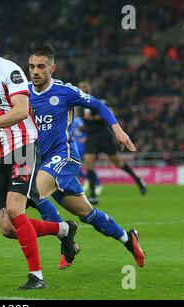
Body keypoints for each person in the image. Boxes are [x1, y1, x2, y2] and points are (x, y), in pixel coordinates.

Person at [0, 20, 78, 290]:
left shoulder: (9, 70)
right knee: (7, 228)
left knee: (15, 209)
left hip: (24, 146)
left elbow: (21, 110)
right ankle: (63, 229)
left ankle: (36, 277)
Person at [28, 44, 145, 269]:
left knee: (35, 193)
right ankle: (128, 239)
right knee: (88, 214)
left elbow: (98, 105)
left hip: (65, 155)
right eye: (31, 66)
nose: (35, 71)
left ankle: (66, 239)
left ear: (52, 68)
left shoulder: (65, 91)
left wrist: (117, 130)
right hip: (43, 162)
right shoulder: (24, 93)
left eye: (41, 66)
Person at [80, 81, 147, 205]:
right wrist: (82, 129)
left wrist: (93, 117)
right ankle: (93, 195)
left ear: (89, 89)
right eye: (80, 87)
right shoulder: (79, 106)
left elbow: (106, 113)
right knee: (89, 164)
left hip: (105, 137)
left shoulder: (98, 102)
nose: (82, 89)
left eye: (85, 86)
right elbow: (86, 123)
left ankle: (138, 180)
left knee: (118, 163)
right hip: (91, 138)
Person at [71, 108, 103, 195]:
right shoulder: (72, 119)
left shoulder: (79, 120)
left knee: (87, 165)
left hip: (83, 145)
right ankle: (88, 180)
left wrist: (86, 138)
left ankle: (98, 184)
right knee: (77, 166)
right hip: (77, 145)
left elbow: (85, 130)